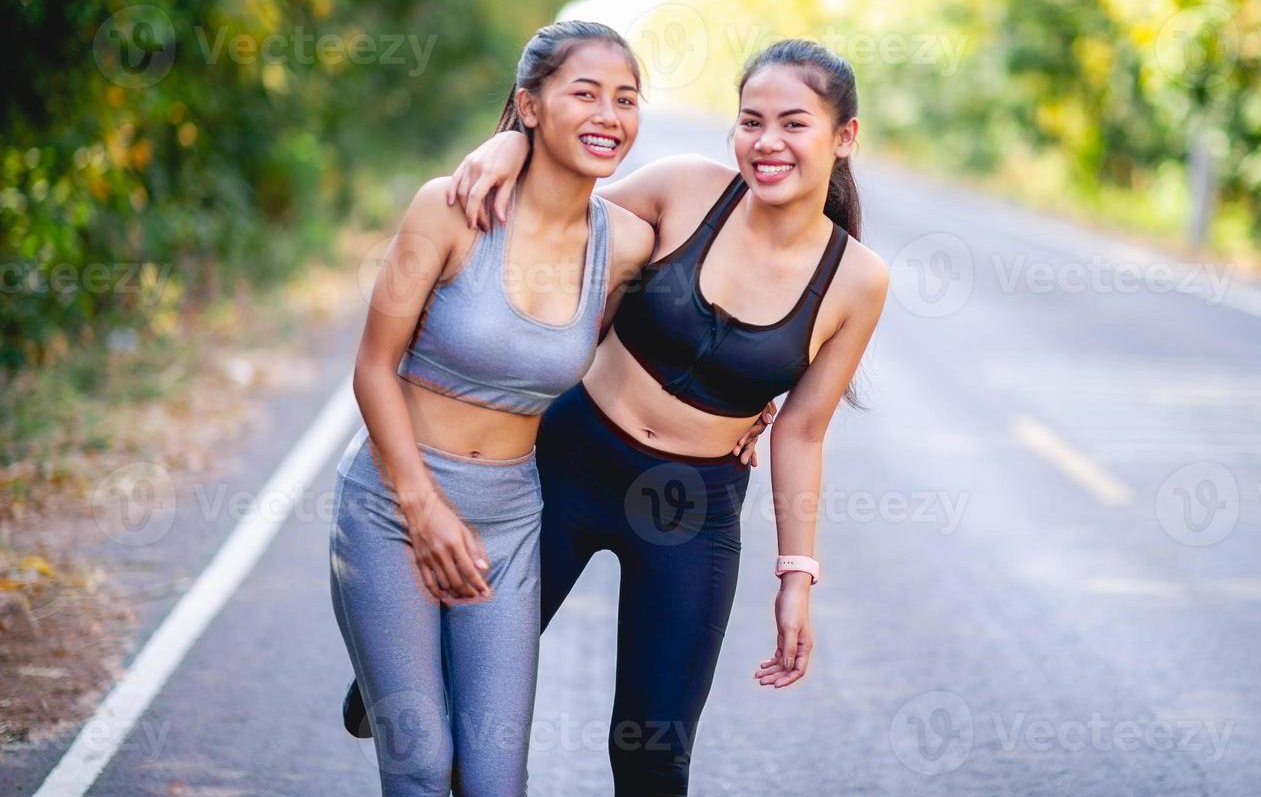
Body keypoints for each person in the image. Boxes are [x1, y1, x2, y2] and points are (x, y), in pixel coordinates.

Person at [345, 38, 889, 795]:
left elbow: (802, 428)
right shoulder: (681, 190)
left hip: (691, 510)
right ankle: (393, 675)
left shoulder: (857, 280)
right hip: (571, 462)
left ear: (844, 138)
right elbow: (558, 214)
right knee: (455, 703)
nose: (767, 143)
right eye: (750, 120)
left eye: (794, 124)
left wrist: (796, 574)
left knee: (653, 752)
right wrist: (508, 142)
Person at [329, 21, 657, 796]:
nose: (608, 114)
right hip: (391, 506)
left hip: (510, 522)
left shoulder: (629, 244)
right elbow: (373, 368)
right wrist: (423, 508)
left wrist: (748, 408)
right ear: (530, 105)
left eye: (626, 99)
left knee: (494, 777)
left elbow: (741, 255)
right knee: (417, 764)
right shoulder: (446, 208)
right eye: (584, 93)